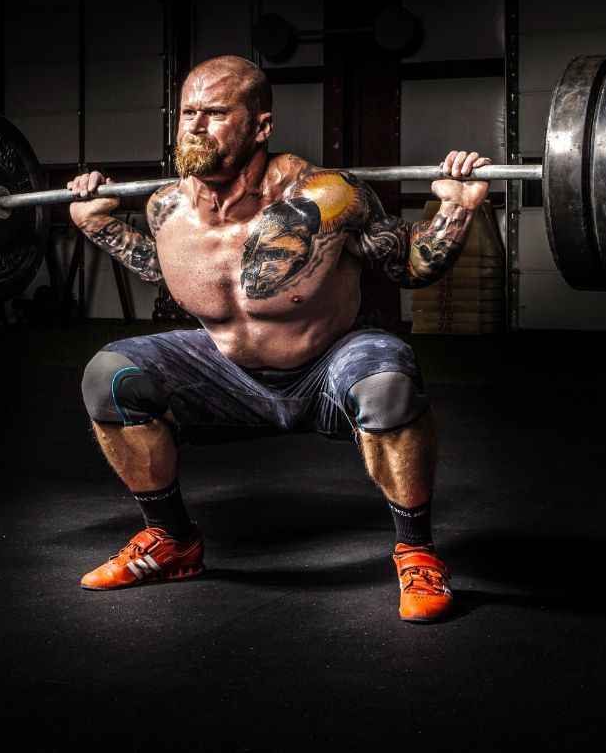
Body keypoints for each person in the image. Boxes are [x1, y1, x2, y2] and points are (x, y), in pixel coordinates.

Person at [68, 55, 491, 623]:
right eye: (188, 112)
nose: (195, 126)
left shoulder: (330, 197)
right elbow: (165, 268)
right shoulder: (165, 207)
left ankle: (417, 553)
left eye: (215, 113)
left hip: (325, 364)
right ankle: (172, 540)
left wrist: (456, 210)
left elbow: (411, 264)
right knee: (110, 376)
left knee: (389, 379)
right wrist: (100, 226)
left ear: (261, 126)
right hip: (225, 373)